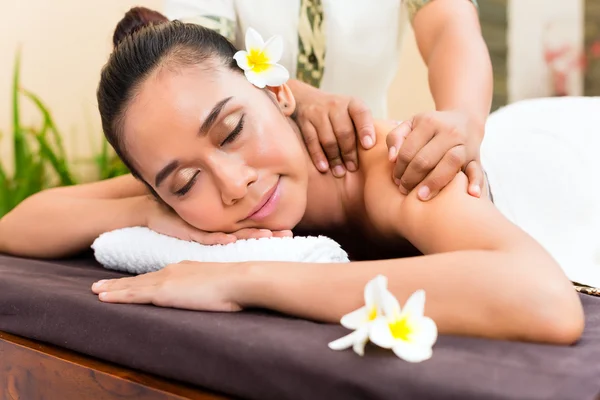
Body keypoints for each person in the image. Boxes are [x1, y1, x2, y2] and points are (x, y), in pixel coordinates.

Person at [0, 8, 583, 345]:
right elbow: (21, 224)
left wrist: (243, 279)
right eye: (181, 184)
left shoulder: (401, 165)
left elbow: (545, 304)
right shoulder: (197, 166)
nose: (232, 184)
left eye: (231, 131)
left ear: (281, 94)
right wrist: (154, 209)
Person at [164, 0, 493, 200]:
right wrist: (299, 97)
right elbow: (194, 55)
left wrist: (463, 118)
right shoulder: (233, 190)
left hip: (364, 162)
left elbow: (450, 28)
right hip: (256, 174)